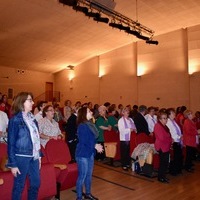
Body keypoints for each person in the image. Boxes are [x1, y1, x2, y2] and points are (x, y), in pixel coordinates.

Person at [6, 92, 41, 200]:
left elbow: (36, 139)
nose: (33, 102)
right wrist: (13, 164)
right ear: (22, 102)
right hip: (21, 156)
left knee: (35, 183)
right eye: (30, 100)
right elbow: (11, 143)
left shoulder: (33, 120)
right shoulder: (15, 120)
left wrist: (39, 156)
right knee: (19, 186)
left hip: (34, 156)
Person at [75, 107, 103, 200]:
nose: (91, 112)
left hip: (89, 153)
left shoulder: (90, 124)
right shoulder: (82, 125)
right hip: (82, 154)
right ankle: (79, 197)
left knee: (89, 175)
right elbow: (84, 140)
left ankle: (87, 193)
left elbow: (92, 138)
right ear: (84, 114)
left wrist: (96, 145)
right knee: (82, 176)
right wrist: (95, 146)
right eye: (89, 111)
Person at [154, 111, 172, 183]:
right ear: (160, 119)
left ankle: (163, 176)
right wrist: (170, 138)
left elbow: (167, 135)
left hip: (166, 146)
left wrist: (169, 138)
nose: (166, 119)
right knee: (163, 163)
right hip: (161, 146)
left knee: (165, 162)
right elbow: (162, 138)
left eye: (166, 118)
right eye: (164, 118)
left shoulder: (164, 126)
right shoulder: (158, 126)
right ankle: (160, 177)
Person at [166, 108, 183, 176]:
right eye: (173, 113)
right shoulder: (168, 122)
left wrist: (181, 135)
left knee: (179, 156)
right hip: (174, 141)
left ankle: (178, 169)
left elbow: (177, 130)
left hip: (178, 141)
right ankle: (174, 171)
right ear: (169, 114)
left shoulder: (174, 121)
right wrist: (179, 137)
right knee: (175, 157)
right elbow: (172, 132)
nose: (174, 114)